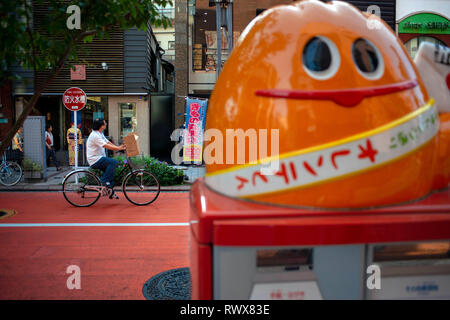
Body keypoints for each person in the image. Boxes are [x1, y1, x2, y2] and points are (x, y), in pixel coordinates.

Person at [86, 119, 126, 199]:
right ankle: (104, 181)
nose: (106, 124)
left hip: (99, 158)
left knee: (111, 174)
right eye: (105, 123)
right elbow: (106, 146)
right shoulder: (95, 136)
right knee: (113, 162)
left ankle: (111, 192)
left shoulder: (100, 133)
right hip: (95, 160)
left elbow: (108, 142)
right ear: (101, 126)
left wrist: (118, 147)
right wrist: (118, 148)